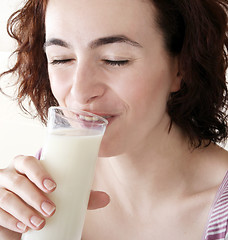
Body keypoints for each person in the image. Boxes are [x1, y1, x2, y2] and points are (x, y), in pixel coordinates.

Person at [0, 0, 228, 239]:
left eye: (115, 60)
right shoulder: (40, 185)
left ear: (181, 66)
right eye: (61, 59)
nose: (80, 92)